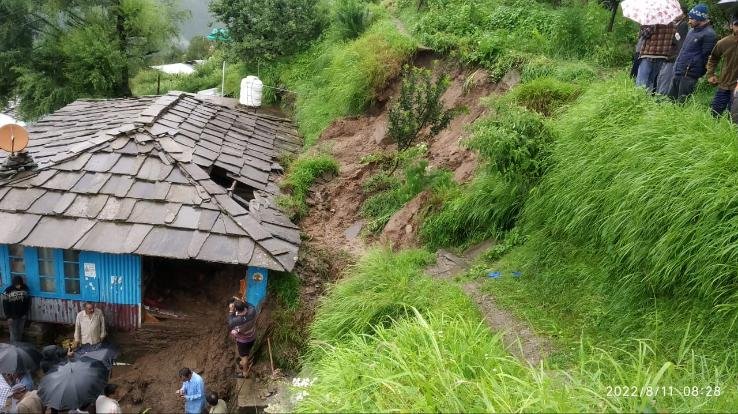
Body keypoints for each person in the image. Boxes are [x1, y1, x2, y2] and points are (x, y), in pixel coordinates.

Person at [668, 4, 717, 102]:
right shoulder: (691, 31)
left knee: (682, 103)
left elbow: (707, 56)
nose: (689, 21)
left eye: (692, 18)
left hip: (689, 74)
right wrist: (676, 66)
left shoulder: (709, 34)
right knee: (671, 101)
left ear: (700, 18)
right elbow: (683, 50)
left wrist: (697, 70)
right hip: (679, 70)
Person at [706, 17, 738, 116]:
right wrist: (710, 74)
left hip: (737, 88)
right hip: (724, 84)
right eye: (737, 25)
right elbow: (713, 58)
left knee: (733, 117)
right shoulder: (724, 42)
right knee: (714, 114)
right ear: (731, 26)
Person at [636, 23, 677, 92]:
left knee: (642, 81)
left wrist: (642, 27)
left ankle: (639, 99)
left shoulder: (654, 23)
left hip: (649, 54)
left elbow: (645, 35)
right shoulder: (673, 26)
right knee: (651, 80)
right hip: (662, 56)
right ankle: (647, 99)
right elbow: (674, 40)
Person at [656, 12, 690, 95]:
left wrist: (669, 36)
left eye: (678, 13)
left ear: (683, 15)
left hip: (673, 56)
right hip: (667, 55)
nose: (674, 15)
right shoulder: (673, 24)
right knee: (661, 77)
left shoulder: (683, 25)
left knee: (666, 78)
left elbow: (679, 41)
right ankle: (658, 95)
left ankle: (661, 98)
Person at [227, 300, 257, 378]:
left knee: (244, 357)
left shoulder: (236, 321)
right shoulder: (252, 311)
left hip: (243, 341)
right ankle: (244, 361)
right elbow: (251, 306)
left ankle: (245, 373)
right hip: (252, 336)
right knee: (248, 351)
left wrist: (230, 311)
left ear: (236, 310)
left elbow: (230, 323)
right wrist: (243, 301)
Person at [3, 276, 30, 343]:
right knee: (13, 333)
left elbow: (27, 302)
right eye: (17, 284)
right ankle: (13, 347)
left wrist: (25, 313)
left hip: (22, 316)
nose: (19, 286)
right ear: (14, 283)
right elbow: (5, 305)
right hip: (12, 317)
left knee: (20, 332)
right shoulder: (7, 291)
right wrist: (8, 317)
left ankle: (19, 347)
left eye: (20, 284)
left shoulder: (25, 289)